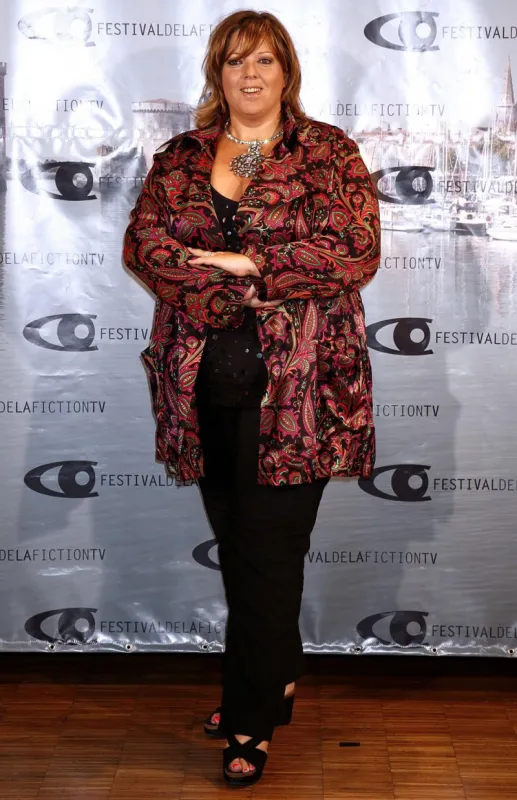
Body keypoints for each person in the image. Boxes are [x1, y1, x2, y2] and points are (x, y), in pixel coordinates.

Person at [123, 9, 380, 787]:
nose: (250, 74)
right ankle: (273, 673)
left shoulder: (328, 152)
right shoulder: (182, 156)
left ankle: (248, 718)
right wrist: (238, 287)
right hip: (201, 383)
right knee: (242, 550)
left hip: (300, 390)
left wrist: (246, 264)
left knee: (269, 556)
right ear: (217, 71)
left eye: (265, 60)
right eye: (235, 61)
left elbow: (353, 250)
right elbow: (147, 248)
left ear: (286, 70)